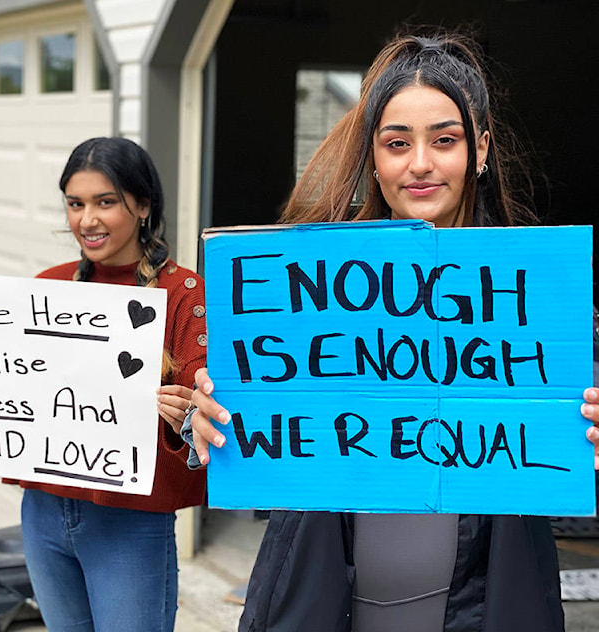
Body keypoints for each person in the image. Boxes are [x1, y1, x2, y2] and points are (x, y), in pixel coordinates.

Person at [185, 33, 599, 632]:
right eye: (397, 143)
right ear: (374, 158)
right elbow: (251, 431)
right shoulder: (306, 293)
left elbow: (564, 451)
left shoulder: (542, 301)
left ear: (480, 148)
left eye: (446, 140)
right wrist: (208, 420)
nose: (421, 164)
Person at [19, 136, 207, 631]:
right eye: (75, 204)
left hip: (130, 519)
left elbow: (211, 421)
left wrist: (187, 413)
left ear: (143, 205)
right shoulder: (47, 286)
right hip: (41, 509)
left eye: (105, 202)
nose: (87, 220)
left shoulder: (183, 294)